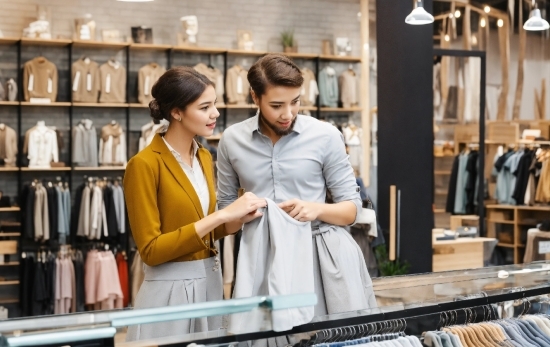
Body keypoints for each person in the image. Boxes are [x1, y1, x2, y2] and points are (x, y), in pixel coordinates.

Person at [217, 54, 377, 317]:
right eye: (277, 105)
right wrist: (239, 216)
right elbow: (225, 219)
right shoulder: (231, 141)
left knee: (333, 338)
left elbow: (352, 211)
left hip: (323, 255)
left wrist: (315, 209)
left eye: (295, 102)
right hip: (261, 257)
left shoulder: (326, 136)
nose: (287, 114)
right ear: (255, 98)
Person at [124, 67, 266, 341]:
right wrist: (221, 216)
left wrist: (236, 220)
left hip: (209, 283)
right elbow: (151, 250)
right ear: (176, 112)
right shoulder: (143, 165)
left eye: (214, 104)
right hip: (169, 292)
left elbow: (206, 232)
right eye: (205, 107)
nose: (215, 113)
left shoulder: (203, 156)